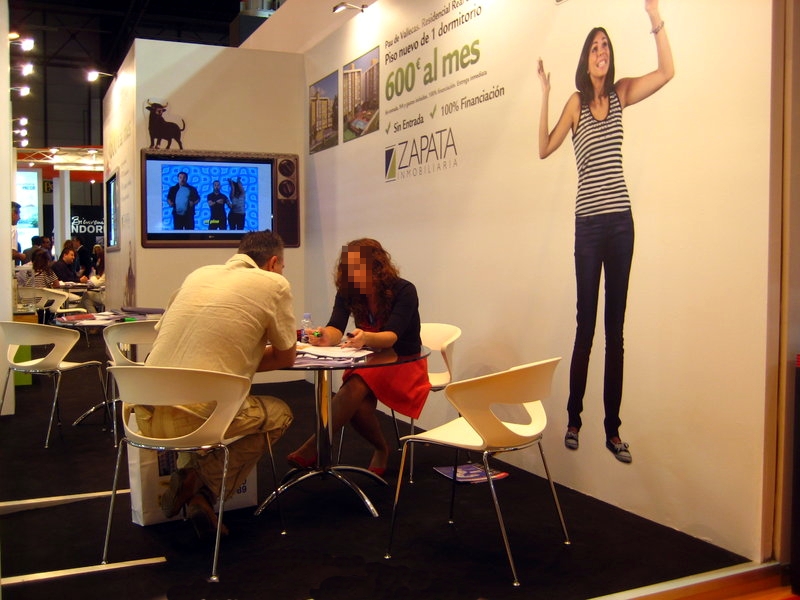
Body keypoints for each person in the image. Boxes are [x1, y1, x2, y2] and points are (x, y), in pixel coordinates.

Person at [537, 0, 673, 463]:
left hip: (620, 224)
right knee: (586, 326)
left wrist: (654, 18)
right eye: (595, 46)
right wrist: (545, 94)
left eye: (606, 46)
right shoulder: (576, 103)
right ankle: (573, 419)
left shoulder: (620, 94)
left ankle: (612, 430)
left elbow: (667, 72)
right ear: (586, 56)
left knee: (616, 330)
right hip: (588, 228)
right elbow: (544, 148)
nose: (602, 52)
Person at [140, 230, 297, 535]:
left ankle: (193, 489)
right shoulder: (274, 284)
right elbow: (285, 357)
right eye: (282, 266)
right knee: (279, 414)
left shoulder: (198, 275)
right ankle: (201, 486)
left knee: (204, 400)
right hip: (195, 416)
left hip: (145, 413)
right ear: (273, 263)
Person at [287, 238, 430, 475]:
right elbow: (336, 327)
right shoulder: (348, 291)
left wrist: (366, 337)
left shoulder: (404, 290)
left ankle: (314, 447)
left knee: (355, 385)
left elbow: (391, 337)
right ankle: (381, 448)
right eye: (348, 270)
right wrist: (324, 335)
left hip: (402, 361)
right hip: (368, 360)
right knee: (358, 406)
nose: (352, 276)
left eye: (357, 269)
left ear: (377, 267)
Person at [79, 245, 105, 312]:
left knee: (86, 295)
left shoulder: (106, 272)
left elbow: (97, 283)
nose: (98, 260)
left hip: (106, 297)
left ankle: (76, 312)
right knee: (87, 300)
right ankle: (93, 316)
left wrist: (93, 277)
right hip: (104, 294)